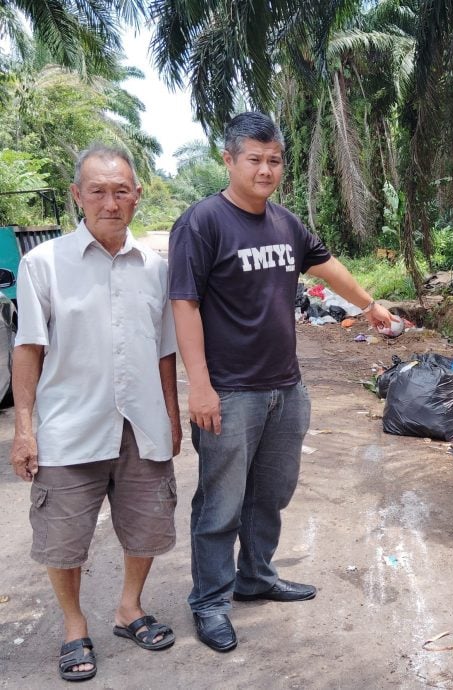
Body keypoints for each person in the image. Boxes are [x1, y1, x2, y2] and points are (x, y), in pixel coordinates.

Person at [168, 111, 392, 653]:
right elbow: (184, 304)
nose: (266, 170)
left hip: (285, 388)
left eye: (274, 160)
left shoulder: (285, 224)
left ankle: (256, 576)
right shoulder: (202, 223)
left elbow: (325, 264)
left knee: (270, 494)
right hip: (230, 390)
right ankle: (211, 600)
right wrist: (198, 385)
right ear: (228, 159)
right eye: (255, 159)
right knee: (220, 503)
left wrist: (368, 304)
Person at [10, 145, 181, 682]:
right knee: (62, 536)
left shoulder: (158, 269)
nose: (111, 202)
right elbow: (28, 349)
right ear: (77, 196)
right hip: (69, 426)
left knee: (147, 527)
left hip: (142, 424)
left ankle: (129, 609)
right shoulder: (44, 264)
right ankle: (73, 625)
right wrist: (23, 429)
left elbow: (164, 352)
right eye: (99, 191)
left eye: (122, 191)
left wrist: (172, 418)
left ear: (137, 196)